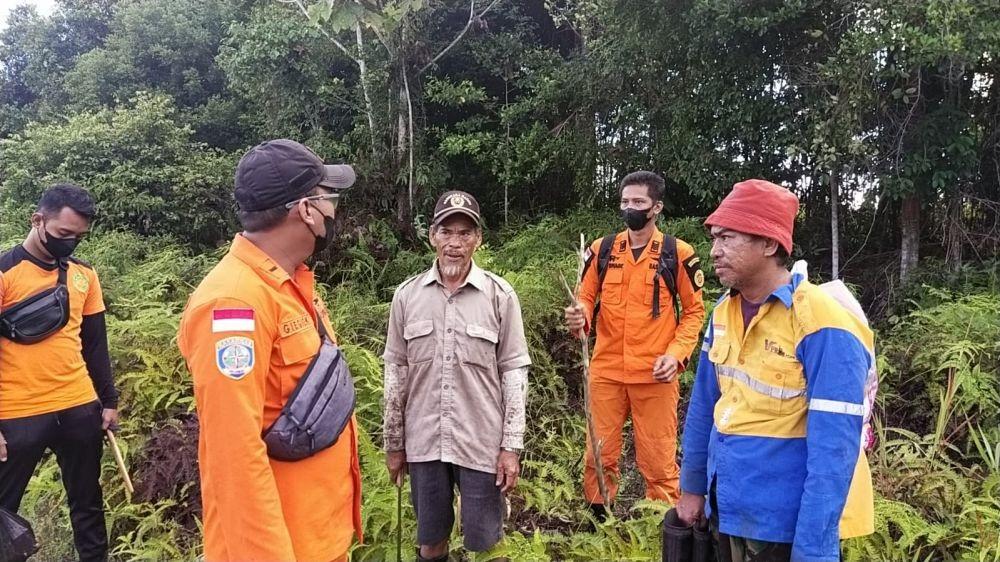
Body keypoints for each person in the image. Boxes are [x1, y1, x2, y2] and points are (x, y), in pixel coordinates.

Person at [177, 139, 362, 561]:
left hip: (319, 535)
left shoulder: (290, 285)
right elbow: (233, 455)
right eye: (328, 198)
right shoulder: (233, 303)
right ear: (306, 209)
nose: (334, 210)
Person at [676, 179, 874, 562]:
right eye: (714, 238)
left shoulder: (821, 321)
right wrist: (693, 488)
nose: (714, 251)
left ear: (769, 244)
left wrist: (814, 549)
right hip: (726, 507)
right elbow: (703, 408)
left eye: (728, 238)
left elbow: (834, 449)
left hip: (783, 525)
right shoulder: (723, 313)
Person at [382, 190, 532, 561]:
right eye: (446, 232)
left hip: (480, 442)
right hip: (423, 440)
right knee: (430, 541)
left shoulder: (500, 296)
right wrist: (394, 443)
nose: (455, 243)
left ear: (478, 239)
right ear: (432, 235)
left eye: (465, 233)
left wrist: (510, 447)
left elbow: (514, 372)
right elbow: (395, 373)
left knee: (486, 544)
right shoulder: (406, 296)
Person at [564, 171, 706, 515]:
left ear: (655, 207)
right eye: (625, 202)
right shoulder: (602, 249)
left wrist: (676, 356)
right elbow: (585, 296)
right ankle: (599, 524)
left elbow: (693, 313)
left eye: (638, 202)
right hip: (607, 371)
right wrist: (578, 315)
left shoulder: (678, 253)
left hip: (655, 374)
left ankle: (661, 528)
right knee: (599, 451)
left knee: (658, 459)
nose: (630, 208)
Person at [0, 184, 118, 562]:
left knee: (88, 503)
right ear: (38, 220)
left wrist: (109, 402)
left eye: (79, 237)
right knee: (4, 512)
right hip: (17, 412)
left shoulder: (84, 276)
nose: (71, 243)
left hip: (78, 406)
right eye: (64, 234)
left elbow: (95, 345)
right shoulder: (6, 272)